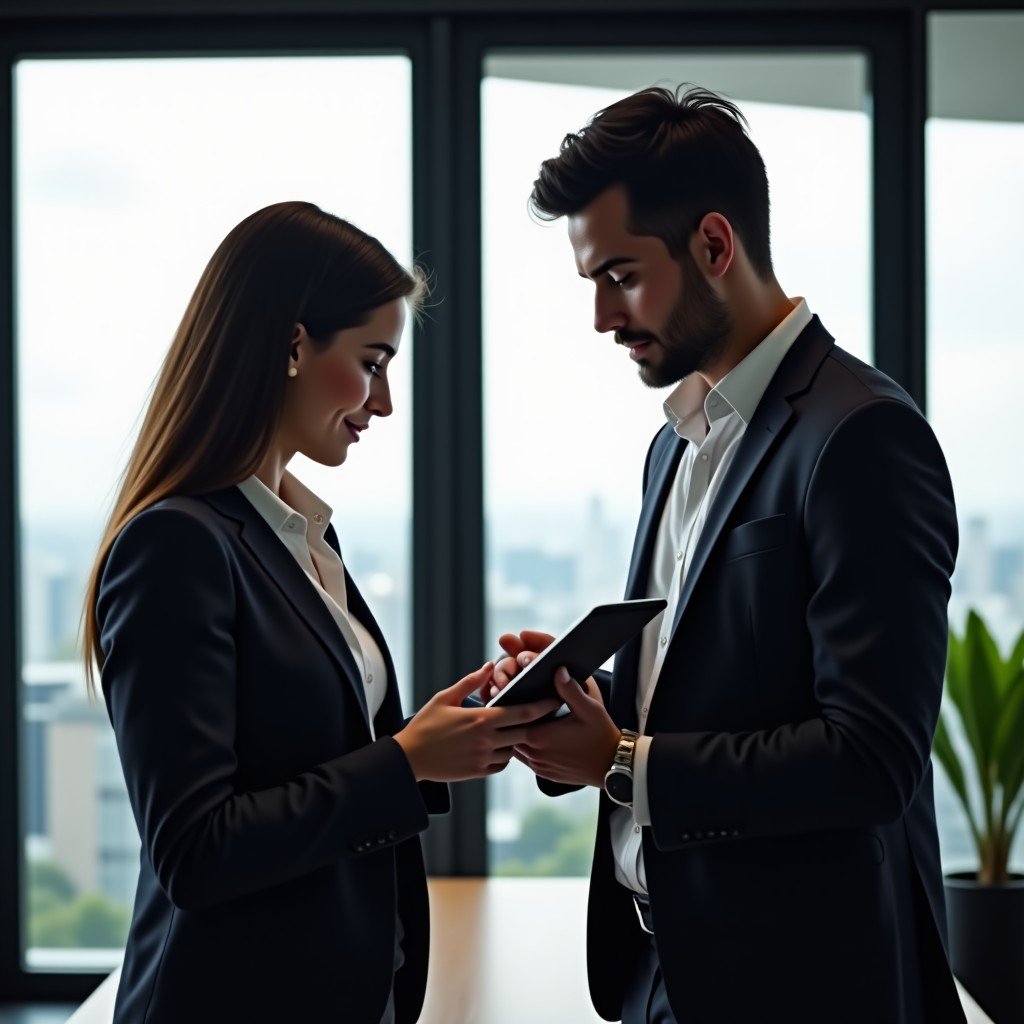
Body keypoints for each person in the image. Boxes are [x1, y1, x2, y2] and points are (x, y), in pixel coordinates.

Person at [489, 87, 966, 1023]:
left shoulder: (863, 437)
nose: (599, 316)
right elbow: (717, 680)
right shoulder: (674, 442)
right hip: (662, 973)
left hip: (804, 988)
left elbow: (872, 757)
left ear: (714, 245)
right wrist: (581, 698)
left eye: (620, 276)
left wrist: (623, 760)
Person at [82, 201, 556, 1024]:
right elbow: (195, 850)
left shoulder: (303, 537)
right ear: (294, 344)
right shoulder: (177, 546)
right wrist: (404, 761)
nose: (384, 403)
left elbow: (315, 757)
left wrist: (436, 738)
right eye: (373, 361)